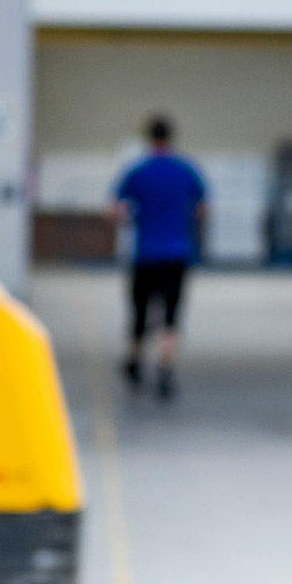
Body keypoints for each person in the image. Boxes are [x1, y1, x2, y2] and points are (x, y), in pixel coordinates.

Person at [112, 114, 207, 401]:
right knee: (170, 314)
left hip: (146, 254)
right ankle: (165, 369)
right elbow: (202, 208)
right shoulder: (186, 170)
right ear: (171, 137)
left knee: (140, 311)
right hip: (177, 253)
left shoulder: (137, 171)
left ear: (148, 138)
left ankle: (136, 362)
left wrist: (135, 218)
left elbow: (116, 209)